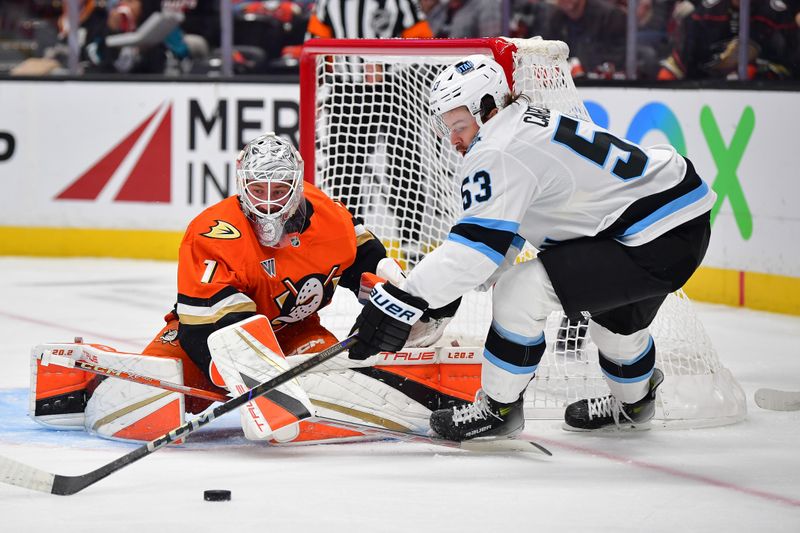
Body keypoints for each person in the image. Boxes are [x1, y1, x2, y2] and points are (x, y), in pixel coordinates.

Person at [349, 54, 716, 440]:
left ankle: (498, 409)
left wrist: (404, 299)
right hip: (674, 219)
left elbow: (476, 252)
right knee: (616, 328)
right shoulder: (521, 123)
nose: (454, 138)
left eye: (459, 124)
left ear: (487, 108)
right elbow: (507, 232)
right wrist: (440, 298)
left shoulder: (497, 149)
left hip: (654, 234)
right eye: (447, 127)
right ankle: (636, 404)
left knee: (520, 292)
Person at [31, 132, 480, 445]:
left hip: (297, 335)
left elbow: (363, 260)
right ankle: (83, 374)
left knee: (345, 393)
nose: (268, 199)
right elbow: (208, 330)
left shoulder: (330, 218)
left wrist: (398, 298)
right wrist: (245, 381)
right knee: (138, 403)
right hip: (202, 341)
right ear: (241, 185)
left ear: (298, 186)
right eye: (257, 187)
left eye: (279, 187)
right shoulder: (212, 233)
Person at [306, 0, 433, 264]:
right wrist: (320, 86)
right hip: (346, 91)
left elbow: (423, 42)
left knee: (404, 165)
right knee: (344, 171)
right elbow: (314, 44)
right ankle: (347, 240)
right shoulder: (329, 3)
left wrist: (387, 60)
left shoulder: (400, 2)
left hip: (395, 88)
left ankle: (411, 243)